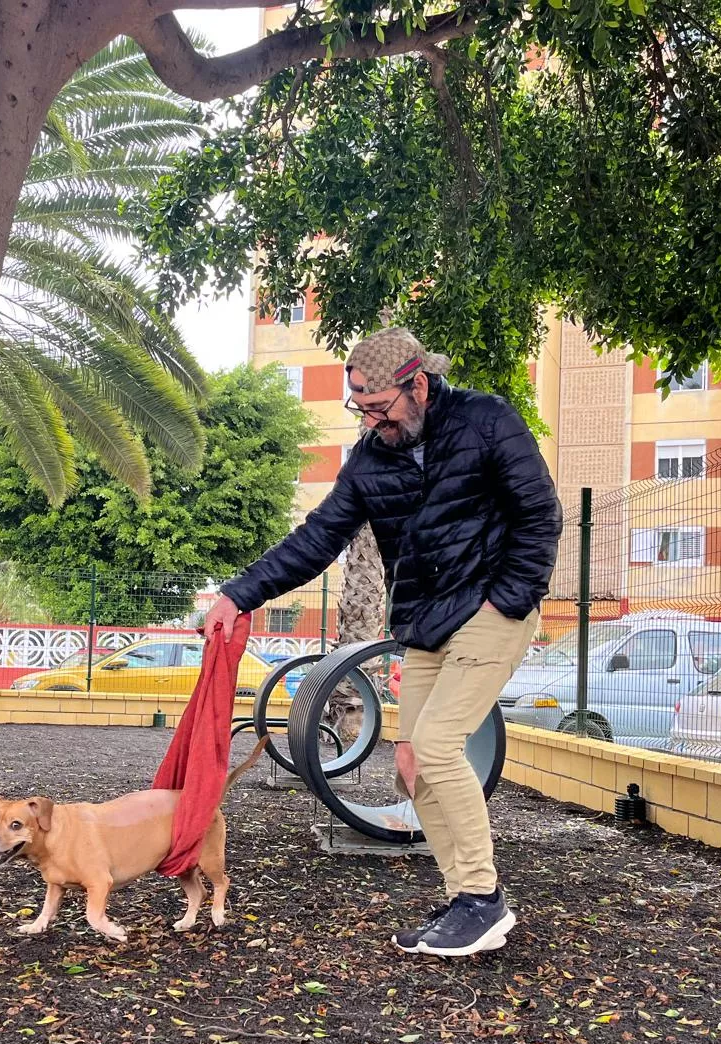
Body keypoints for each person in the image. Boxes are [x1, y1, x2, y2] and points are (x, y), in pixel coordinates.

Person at [204, 328, 562, 956]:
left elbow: (539, 515)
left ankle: (484, 898)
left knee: (438, 744)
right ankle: (464, 901)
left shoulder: (486, 421)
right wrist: (239, 595)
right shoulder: (371, 459)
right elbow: (317, 538)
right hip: (426, 621)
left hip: (492, 608)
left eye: (378, 407)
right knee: (414, 762)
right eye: (360, 408)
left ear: (417, 384)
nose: (371, 420)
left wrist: (508, 597)